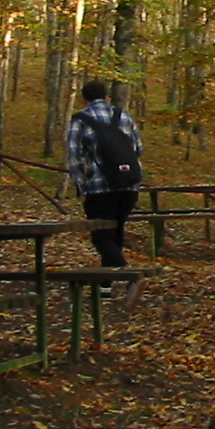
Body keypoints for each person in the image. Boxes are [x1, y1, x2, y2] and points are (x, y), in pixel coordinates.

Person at [66, 79, 143, 296]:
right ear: (107, 97)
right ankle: (105, 286)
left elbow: (74, 158)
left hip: (100, 189)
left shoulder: (81, 119)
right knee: (115, 233)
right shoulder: (123, 115)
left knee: (101, 236)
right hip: (130, 185)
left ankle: (131, 276)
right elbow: (138, 149)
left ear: (84, 99)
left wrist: (82, 187)